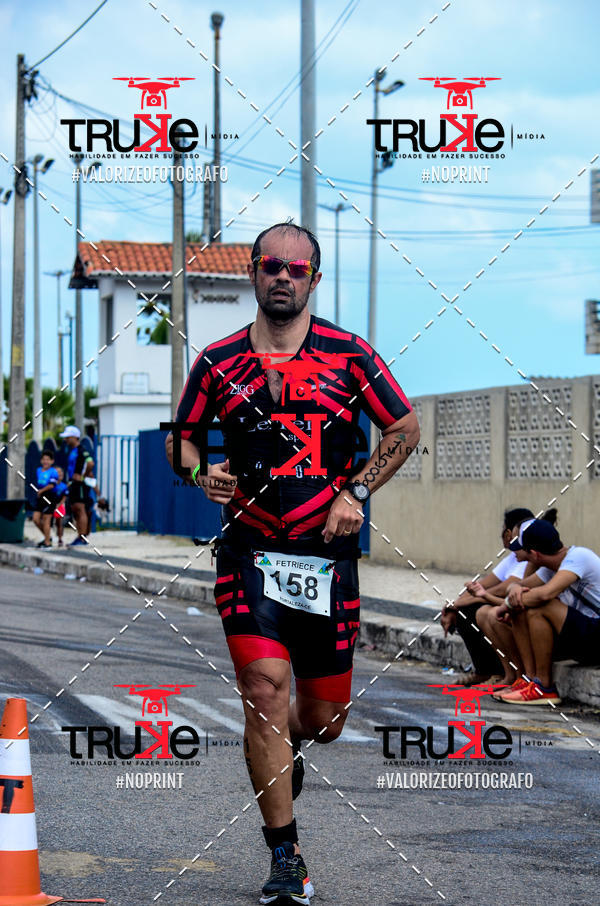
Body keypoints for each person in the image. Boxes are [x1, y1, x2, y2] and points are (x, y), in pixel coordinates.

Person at [166, 222, 420, 904]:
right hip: (248, 552)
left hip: (327, 561)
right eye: (270, 265)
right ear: (252, 274)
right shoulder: (217, 362)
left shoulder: (350, 355)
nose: (282, 276)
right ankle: (286, 858)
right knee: (265, 692)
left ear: (314, 279)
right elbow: (182, 442)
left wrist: (356, 490)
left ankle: (287, 757)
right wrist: (200, 477)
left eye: (296, 268)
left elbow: (403, 427)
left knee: (324, 720)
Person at [488, 519, 600, 705]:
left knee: (540, 607)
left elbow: (545, 594)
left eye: (524, 550)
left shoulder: (579, 557)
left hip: (596, 638)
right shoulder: (552, 568)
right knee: (523, 609)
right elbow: (520, 586)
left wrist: (506, 605)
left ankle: (544, 687)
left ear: (534, 554)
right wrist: (514, 589)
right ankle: (530, 681)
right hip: (586, 640)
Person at [440, 507, 540, 684]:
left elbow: (505, 589)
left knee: (481, 612)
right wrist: (455, 604)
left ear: (509, 533)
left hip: (530, 617)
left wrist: (465, 602)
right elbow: (484, 584)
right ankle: (493, 673)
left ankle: (502, 673)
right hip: (515, 608)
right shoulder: (513, 557)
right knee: (470, 609)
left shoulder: (529, 557)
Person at [59, 425, 94, 546]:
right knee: (75, 509)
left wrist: (83, 475)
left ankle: (83, 538)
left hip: (79, 484)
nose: (66, 440)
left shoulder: (81, 450)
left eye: (68, 437)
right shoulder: (72, 451)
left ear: (75, 437)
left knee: (80, 508)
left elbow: (90, 463)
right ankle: (80, 535)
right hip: (73, 484)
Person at [32, 450, 60, 548]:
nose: (45, 461)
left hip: (50, 496)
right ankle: (47, 537)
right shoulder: (38, 470)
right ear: (41, 460)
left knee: (46, 519)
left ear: (52, 461)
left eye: (48, 459)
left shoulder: (53, 472)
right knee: (35, 518)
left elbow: (52, 485)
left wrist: (41, 491)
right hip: (41, 497)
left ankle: (47, 543)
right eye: (44, 459)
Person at [52, 466, 68, 548]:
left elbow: (65, 497)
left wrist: (59, 504)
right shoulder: (51, 485)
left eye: (61, 472)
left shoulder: (64, 486)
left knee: (60, 522)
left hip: (60, 505)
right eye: (58, 472)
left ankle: (60, 538)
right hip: (51, 504)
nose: (60, 474)